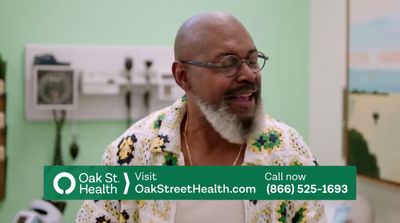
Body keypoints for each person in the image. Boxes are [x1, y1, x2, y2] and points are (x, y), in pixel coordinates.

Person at [76, 12, 326, 223]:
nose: (249, 75)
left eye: (252, 60)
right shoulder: (131, 154)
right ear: (183, 77)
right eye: (228, 63)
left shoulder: (289, 154)